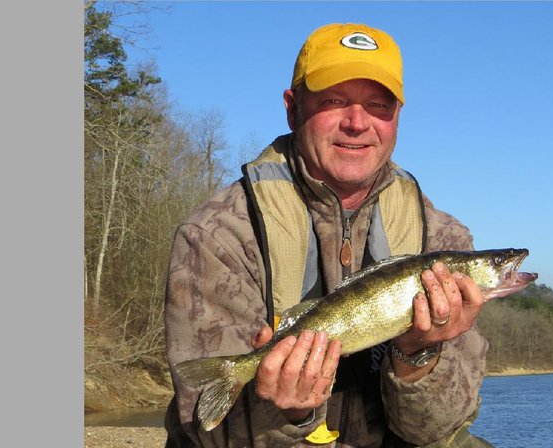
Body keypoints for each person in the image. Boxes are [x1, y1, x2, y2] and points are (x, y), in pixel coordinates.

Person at [164, 23, 493, 447]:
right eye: (334, 100)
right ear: (292, 107)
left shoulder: (443, 240)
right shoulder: (218, 235)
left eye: (378, 105)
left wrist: (417, 354)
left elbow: (436, 431)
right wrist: (288, 411)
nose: (357, 123)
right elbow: (208, 432)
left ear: (397, 118)